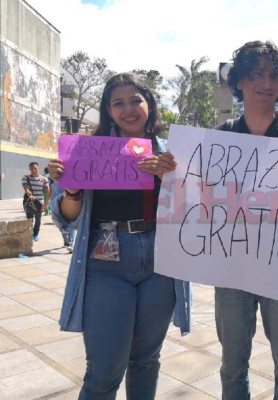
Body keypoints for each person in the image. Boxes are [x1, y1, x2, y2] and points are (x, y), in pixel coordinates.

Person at [47, 73, 191, 399]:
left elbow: (194, 211)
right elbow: (67, 219)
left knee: (145, 361)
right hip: (106, 259)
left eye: (135, 100)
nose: (129, 109)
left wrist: (171, 178)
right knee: (104, 371)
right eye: (118, 103)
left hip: (160, 262)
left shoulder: (170, 153)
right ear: (108, 110)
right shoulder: (87, 152)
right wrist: (72, 189)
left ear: (149, 105)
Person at [214, 40, 278, 400]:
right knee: (231, 367)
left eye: (274, 76)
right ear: (239, 81)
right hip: (232, 268)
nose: (266, 83)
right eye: (256, 74)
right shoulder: (221, 137)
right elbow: (200, 198)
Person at [22, 161, 50, 241]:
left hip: (39, 203)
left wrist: (46, 203)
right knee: (29, 220)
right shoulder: (26, 178)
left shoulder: (44, 179)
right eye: (32, 169)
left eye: (35, 168)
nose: (34, 170)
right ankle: (30, 234)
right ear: (29, 169)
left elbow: (47, 191)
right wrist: (30, 195)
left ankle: (36, 234)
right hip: (29, 202)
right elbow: (25, 187)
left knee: (38, 220)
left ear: (38, 168)